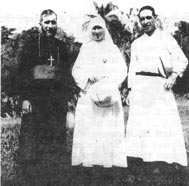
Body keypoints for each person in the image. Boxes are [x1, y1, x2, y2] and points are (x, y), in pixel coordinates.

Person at [125, 5, 188, 166]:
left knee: (160, 123)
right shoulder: (136, 43)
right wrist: (130, 90)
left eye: (148, 17)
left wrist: (173, 76)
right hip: (140, 85)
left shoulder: (166, 38)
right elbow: (132, 68)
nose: (145, 21)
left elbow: (181, 59)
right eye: (142, 18)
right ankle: (141, 160)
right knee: (141, 123)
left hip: (159, 85)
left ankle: (161, 161)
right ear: (139, 21)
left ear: (155, 18)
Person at [17, 9, 74, 165]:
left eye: (53, 22)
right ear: (40, 24)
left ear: (57, 24)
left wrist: (68, 100)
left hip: (56, 101)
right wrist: (25, 98)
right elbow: (22, 73)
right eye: (46, 22)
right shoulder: (31, 45)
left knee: (55, 143)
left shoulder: (61, 47)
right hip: (35, 100)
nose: (50, 26)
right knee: (32, 143)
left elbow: (66, 75)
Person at [71, 16, 128, 168]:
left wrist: (110, 82)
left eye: (99, 28)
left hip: (108, 94)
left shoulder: (113, 48)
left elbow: (122, 70)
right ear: (90, 30)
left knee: (107, 127)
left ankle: (108, 163)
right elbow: (76, 70)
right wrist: (87, 79)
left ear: (105, 29)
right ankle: (89, 163)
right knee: (90, 128)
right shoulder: (85, 48)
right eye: (94, 28)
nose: (97, 31)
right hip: (89, 93)